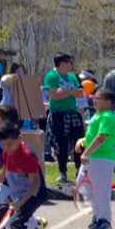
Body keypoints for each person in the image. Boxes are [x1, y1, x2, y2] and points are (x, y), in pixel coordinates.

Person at [77, 89, 115, 229]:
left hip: (103, 158)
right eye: (95, 98)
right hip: (93, 157)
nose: (95, 100)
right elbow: (93, 135)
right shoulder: (98, 115)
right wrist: (82, 141)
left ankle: (104, 220)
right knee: (83, 186)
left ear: (108, 102)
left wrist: (86, 152)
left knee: (101, 190)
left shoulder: (107, 116)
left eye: (98, 98)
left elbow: (102, 137)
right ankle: (98, 214)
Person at [44, 53, 85, 183]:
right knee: (61, 143)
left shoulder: (73, 77)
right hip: (59, 114)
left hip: (73, 112)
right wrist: (71, 92)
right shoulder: (52, 76)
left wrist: (67, 92)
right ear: (62, 63)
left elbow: (80, 93)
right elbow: (54, 94)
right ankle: (63, 171)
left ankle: (80, 170)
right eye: (69, 62)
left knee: (79, 142)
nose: (71, 65)